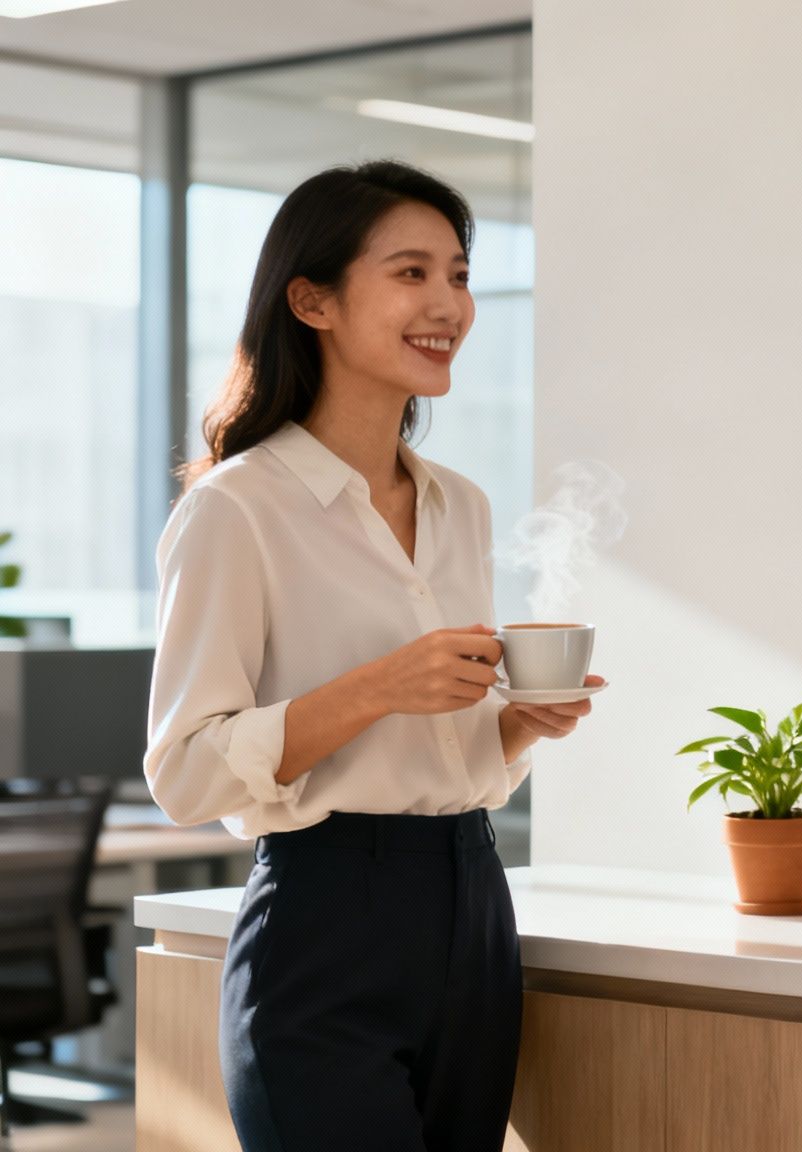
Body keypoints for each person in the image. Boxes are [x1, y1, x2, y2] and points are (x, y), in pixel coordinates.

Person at [145, 160, 601, 1152]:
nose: (449, 304)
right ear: (312, 301)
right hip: (322, 918)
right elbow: (183, 774)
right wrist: (376, 689)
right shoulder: (235, 510)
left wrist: (514, 727)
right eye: (410, 273)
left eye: (460, 275)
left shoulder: (459, 505)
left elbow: (439, 759)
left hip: (474, 906)